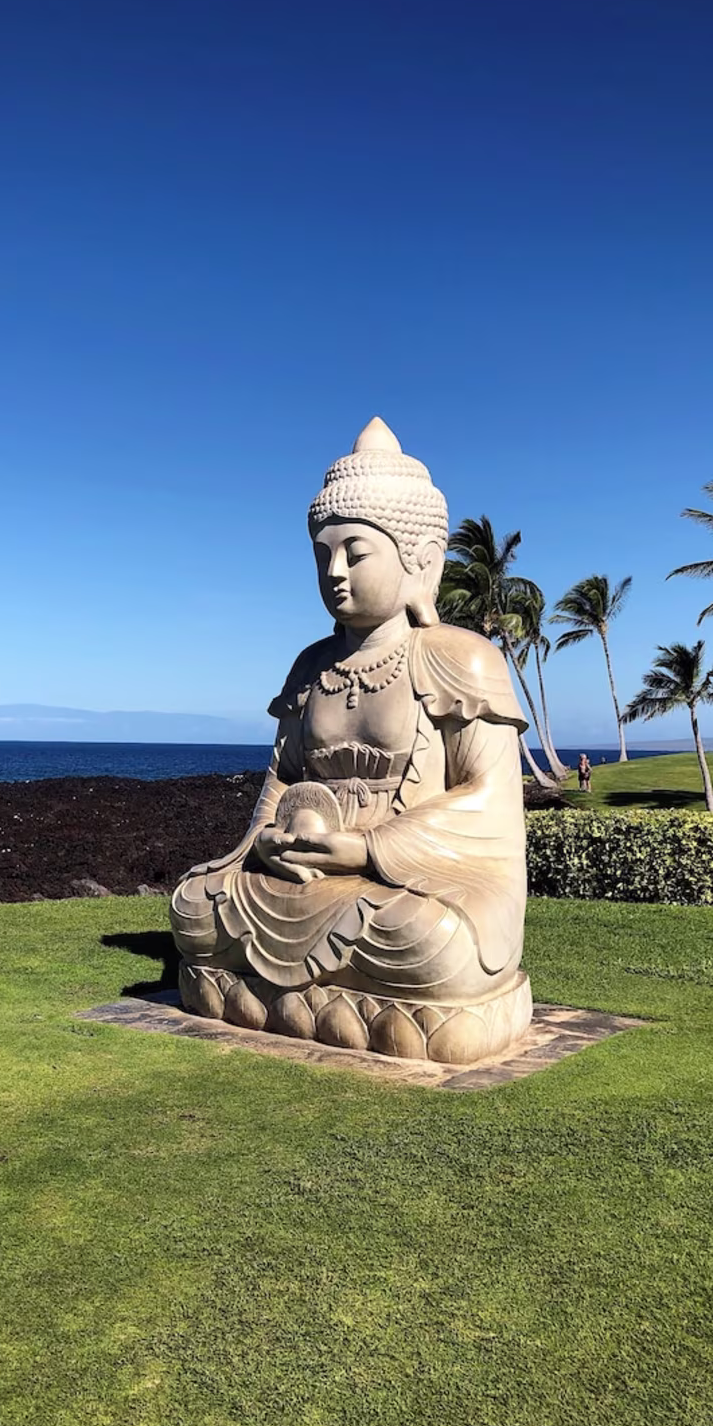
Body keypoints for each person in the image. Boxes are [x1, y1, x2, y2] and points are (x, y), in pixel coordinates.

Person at [169, 418, 533, 1064]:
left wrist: (366, 850)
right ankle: (354, 1012)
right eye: (321, 555)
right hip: (302, 873)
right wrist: (271, 843)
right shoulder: (310, 666)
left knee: (432, 940)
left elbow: (493, 801)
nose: (334, 572)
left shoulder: (458, 658)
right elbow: (279, 780)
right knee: (195, 907)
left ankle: (311, 1004)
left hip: (412, 883)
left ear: (417, 560)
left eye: (355, 553)